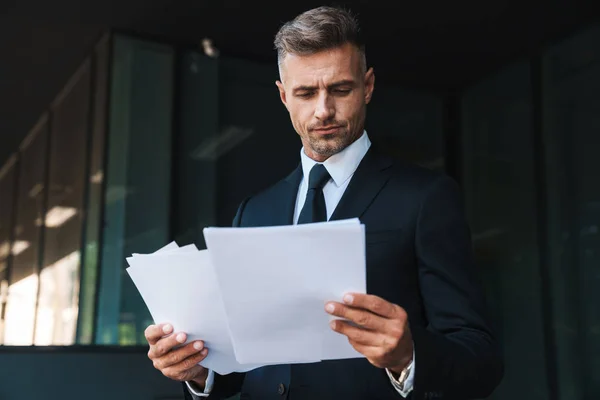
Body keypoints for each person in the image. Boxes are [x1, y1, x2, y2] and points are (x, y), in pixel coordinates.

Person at [144, 6, 504, 400]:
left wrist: (409, 354)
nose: (323, 110)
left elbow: (480, 360)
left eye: (340, 89)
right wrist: (199, 371)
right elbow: (241, 369)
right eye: (305, 93)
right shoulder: (253, 212)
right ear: (283, 96)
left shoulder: (426, 197)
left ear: (367, 86)